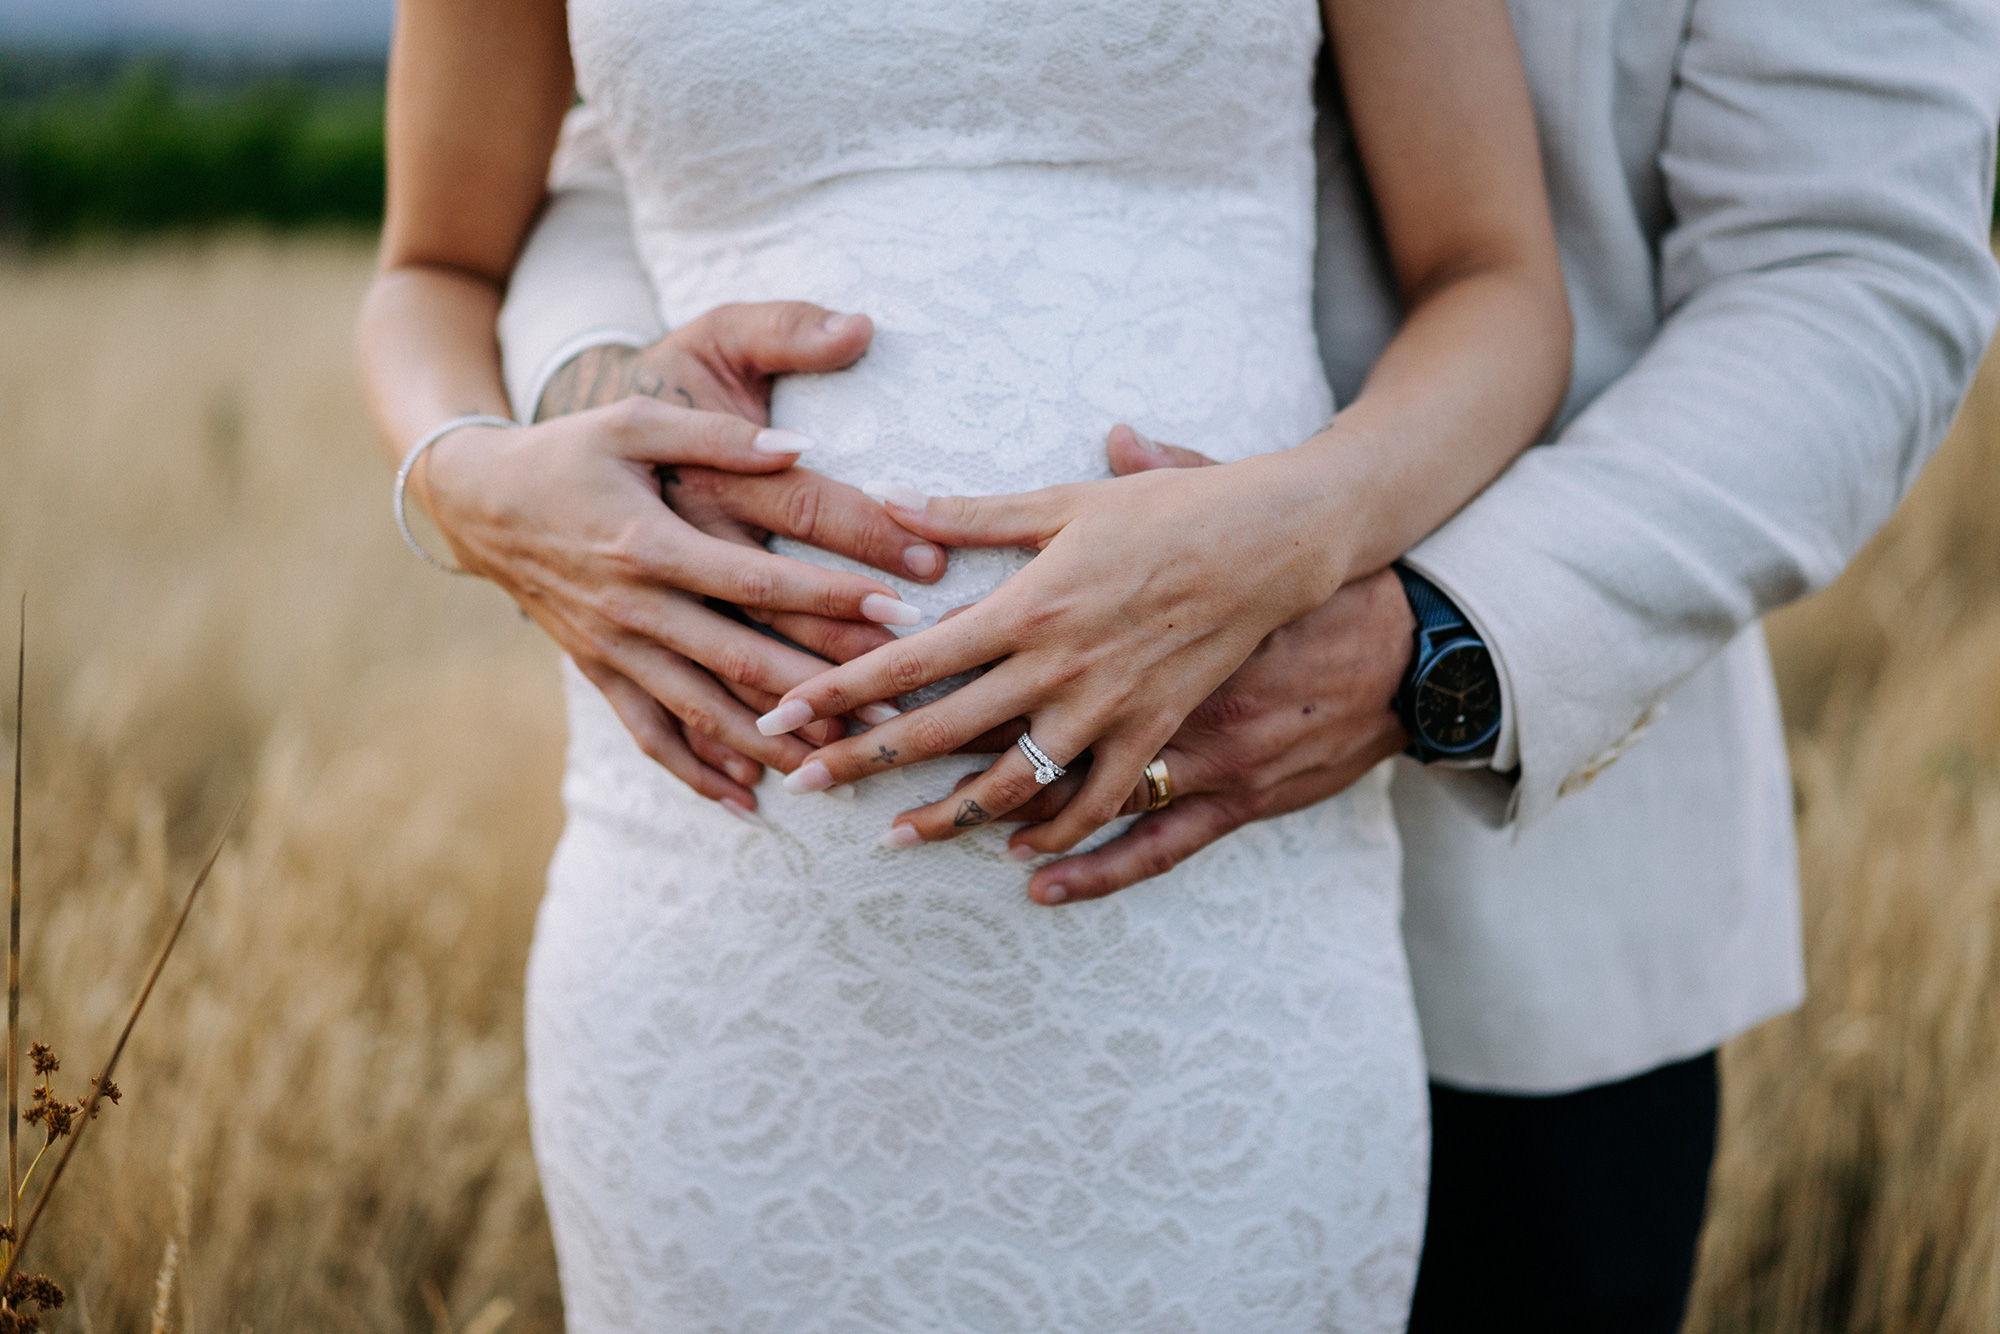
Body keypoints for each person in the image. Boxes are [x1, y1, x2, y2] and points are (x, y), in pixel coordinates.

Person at [499, 0, 2000, 1327]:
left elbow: (1853, 272)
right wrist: (588, 406)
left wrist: (1433, 635)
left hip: (1507, 906)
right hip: (784, 963)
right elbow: (622, 135)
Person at [358, 0, 1572, 1327]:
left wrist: (1304, 524)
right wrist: (474, 481)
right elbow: (436, 266)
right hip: (720, 963)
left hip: (1215, 960)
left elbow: (1494, 277)